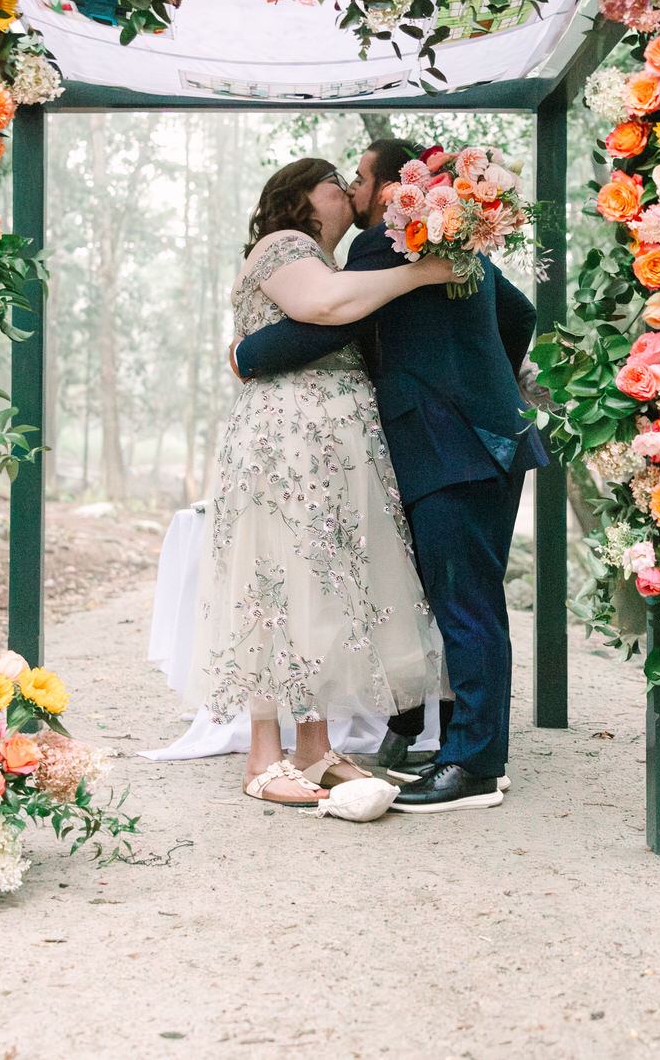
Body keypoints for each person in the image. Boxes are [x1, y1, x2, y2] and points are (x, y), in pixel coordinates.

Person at [233, 139, 547, 813]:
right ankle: (470, 746)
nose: (352, 188)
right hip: (496, 437)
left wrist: (246, 351)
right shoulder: (459, 249)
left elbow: (320, 328)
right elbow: (519, 314)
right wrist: (482, 375)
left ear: (386, 193)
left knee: (465, 606)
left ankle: (473, 767)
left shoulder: (386, 246)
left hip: (444, 443)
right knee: (476, 600)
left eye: (360, 178)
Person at [186, 156, 452, 806]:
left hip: (328, 445)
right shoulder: (284, 245)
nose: (350, 191)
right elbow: (323, 304)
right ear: (301, 196)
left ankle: (314, 747)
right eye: (336, 182)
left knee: (322, 586)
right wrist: (422, 272)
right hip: (286, 439)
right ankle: (262, 753)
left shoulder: (328, 259)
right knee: (275, 583)